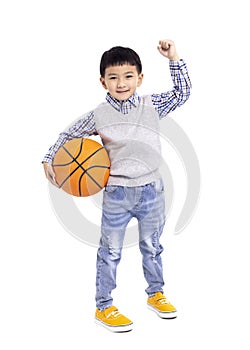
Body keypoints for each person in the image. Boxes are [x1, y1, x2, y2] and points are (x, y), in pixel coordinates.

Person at [43, 39, 192, 332]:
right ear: (103, 81)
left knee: (152, 246)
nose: (121, 83)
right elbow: (68, 134)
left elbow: (183, 92)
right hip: (117, 194)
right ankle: (104, 306)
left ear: (139, 78)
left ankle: (156, 294)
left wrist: (174, 58)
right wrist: (49, 159)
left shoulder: (152, 105)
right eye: (113, 77)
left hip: (152, 190)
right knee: (110, 251)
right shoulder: (99, 115)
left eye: (127, 76)